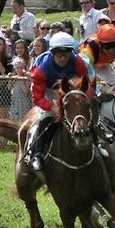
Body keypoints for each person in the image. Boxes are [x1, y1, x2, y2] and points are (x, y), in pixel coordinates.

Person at [25, 31, 92, 173]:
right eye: (59, 56)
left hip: (71, 90)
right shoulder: (40, 70)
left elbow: (88, 84)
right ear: (52, 54)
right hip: (49, 92)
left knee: (86, 114)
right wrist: (53, 107)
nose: (62, 59)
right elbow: (37, 98)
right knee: (45, 118)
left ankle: (99, 143)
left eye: (66, 56)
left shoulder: (79, 62)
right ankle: (36, 154)